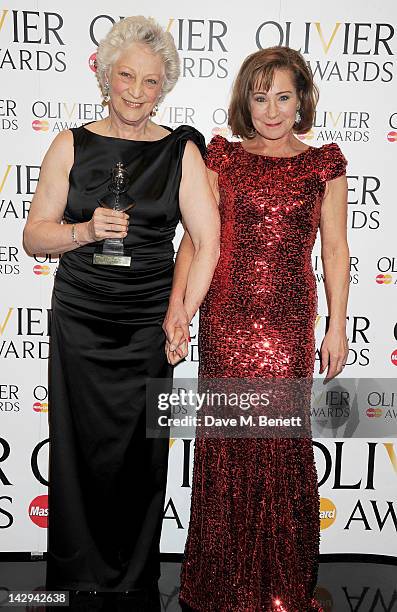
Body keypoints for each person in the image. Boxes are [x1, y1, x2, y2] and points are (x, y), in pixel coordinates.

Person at [23, 15, 219, 609]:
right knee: (78, 449)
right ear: (105, 76)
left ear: (166, 87)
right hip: (80, 320)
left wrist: (181, 312)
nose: (137, 92)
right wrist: (83, 232)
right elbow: (35, 237)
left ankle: (133, 578)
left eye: (151, 82)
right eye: (127, 76)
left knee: (141, 453)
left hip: (145, 327)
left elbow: (207, 241)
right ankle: (75, 575)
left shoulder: (178, 150)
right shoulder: (69, 144)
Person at [176, 47, 349, 611]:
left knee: (278, 442)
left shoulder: (323, 164)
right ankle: (222, 583)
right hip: (227, 317)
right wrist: (178, 308)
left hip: (288, 322)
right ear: (244, 101)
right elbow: (199, 241)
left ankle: (280, 584)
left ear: (301, 100)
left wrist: (337, 325)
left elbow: (336, 250)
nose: (271, 110)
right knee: (229, 442)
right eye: (260, 97)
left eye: (282, 96)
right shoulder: (221, 157)